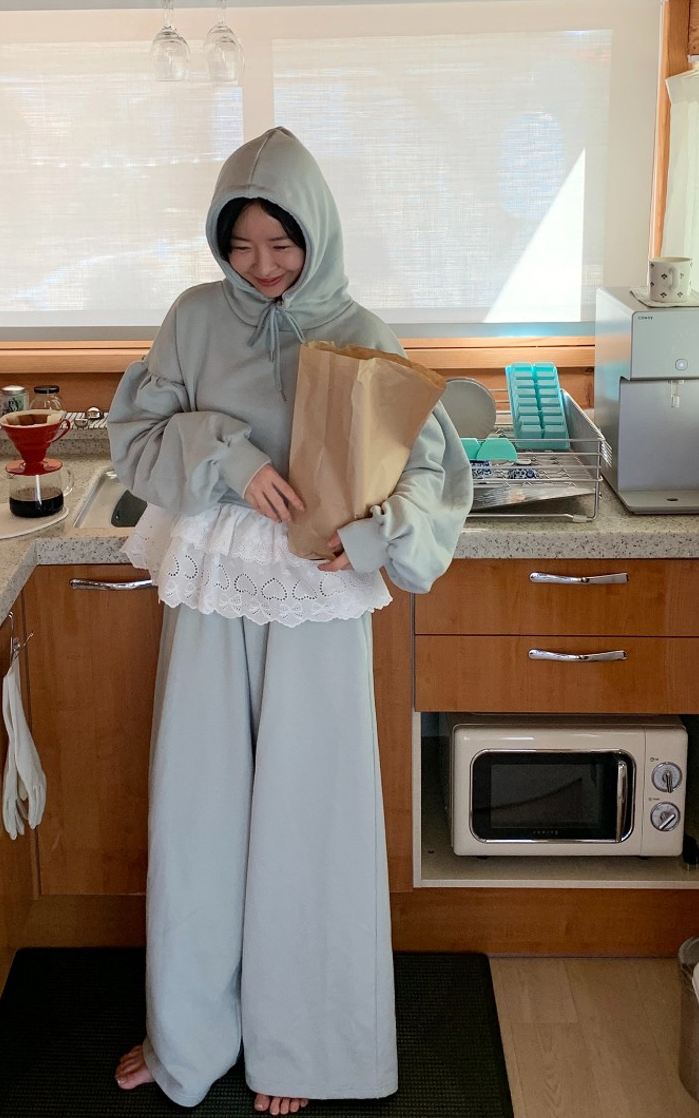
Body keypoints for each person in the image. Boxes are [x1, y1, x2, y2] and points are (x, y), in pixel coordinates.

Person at [108, 127, 471, 1115]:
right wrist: (228, 457)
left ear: (318, 233)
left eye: (282, 243)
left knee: (313, 820)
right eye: (241, 246)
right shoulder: (193, 319)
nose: (262, 266)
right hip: (214, 581)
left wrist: (370, 538)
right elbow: (134, 436)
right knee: (199, 813)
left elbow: (434, 476)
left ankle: (303, 1047)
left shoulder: (362, 331)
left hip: (317, 593)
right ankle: (188, 1037)